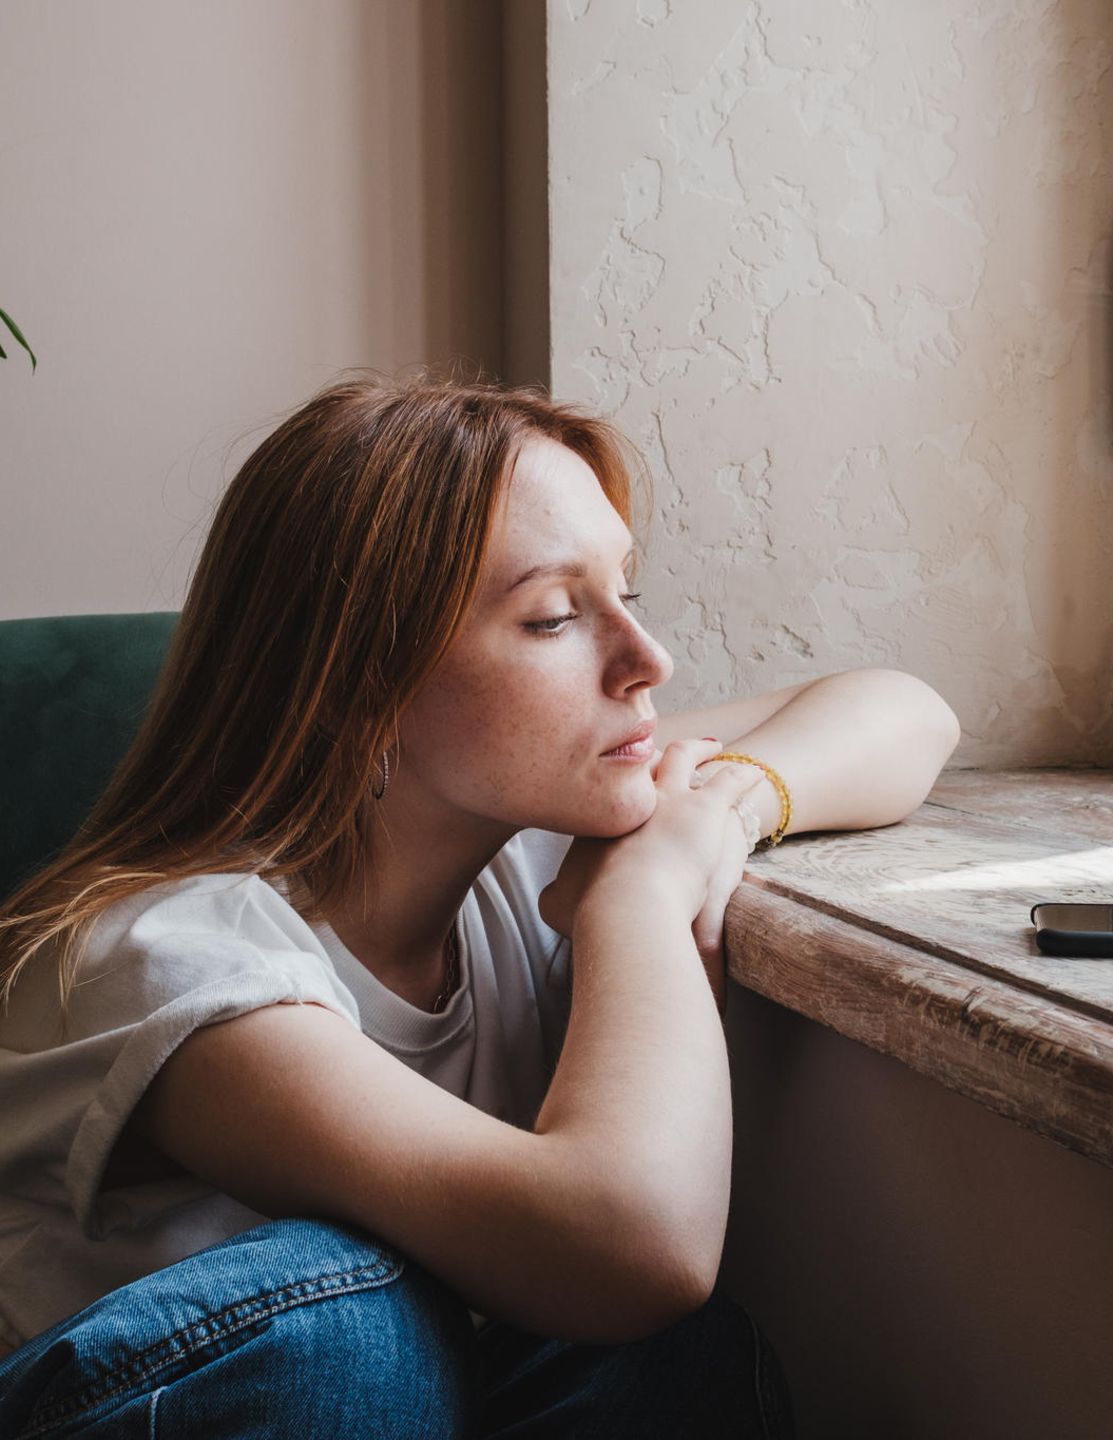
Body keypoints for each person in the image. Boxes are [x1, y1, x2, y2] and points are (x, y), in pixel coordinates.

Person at [0, 368, 961, 1437]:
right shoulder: (172, 961)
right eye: (554, 618)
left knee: (668, 1366)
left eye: (625, 594)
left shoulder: (518, 833)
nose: (650, 660)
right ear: (360, 686)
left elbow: (903, 713)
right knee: (348, 1324)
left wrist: (718, 818)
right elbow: (634, 1245)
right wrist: (642, 898)